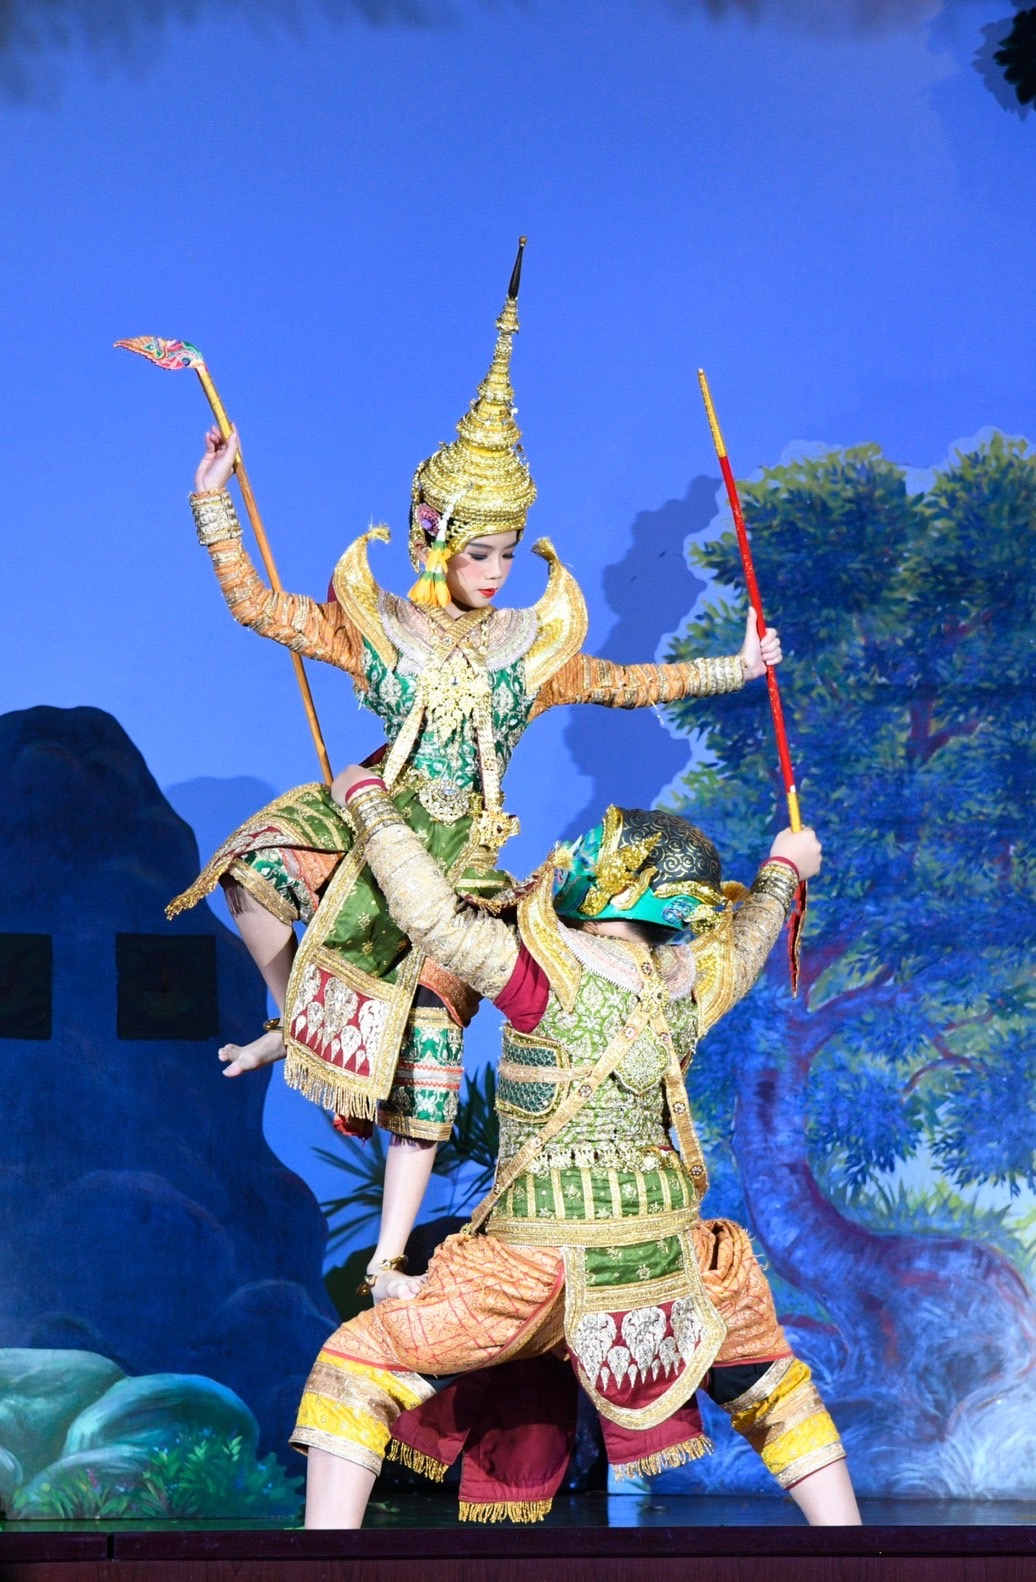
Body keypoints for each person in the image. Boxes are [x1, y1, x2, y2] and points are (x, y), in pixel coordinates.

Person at [171, 241, 781, 1299]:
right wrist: (213, 500)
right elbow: (258, 609)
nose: (497, 571)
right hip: (371, 819)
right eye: (480, 552)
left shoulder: (526, 652)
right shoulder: (381, 627)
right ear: (434, 537)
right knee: (254, 867)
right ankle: (289, 1010)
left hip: (465, 866)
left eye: (509, 551)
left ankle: (389, 1255)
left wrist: (736, 665)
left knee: (431, 1056)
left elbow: (625, 683)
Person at [291, 766, 861, 1527]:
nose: (576, 857)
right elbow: (752, 937)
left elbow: (427, 913)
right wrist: (785, 867)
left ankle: (326, 1564)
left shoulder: (540, 971)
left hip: (529, 1267)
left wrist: (368, 802)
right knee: (768, 1385)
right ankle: (857, 1554)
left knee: (356, 1366)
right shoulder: (692, 981)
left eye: (597, 851)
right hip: (664, 1256)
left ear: (626, 883)